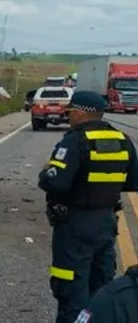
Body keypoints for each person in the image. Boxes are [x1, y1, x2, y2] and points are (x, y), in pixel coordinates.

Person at [37, 90, 138, 323]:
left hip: (75, 225)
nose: (68, 116)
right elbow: (132, 181)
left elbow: (55, 182)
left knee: (71, 288)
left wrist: (46, 170)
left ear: (81, 113)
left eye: (70, 112)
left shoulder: (75, 140)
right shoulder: (122, 139)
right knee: (101, 285)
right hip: (107, 223)